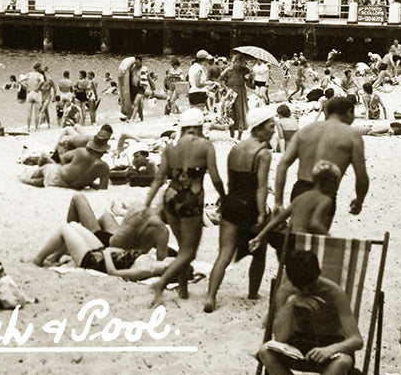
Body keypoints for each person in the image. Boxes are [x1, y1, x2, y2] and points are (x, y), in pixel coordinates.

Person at [255, 250, 362, 375]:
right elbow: (280, 337)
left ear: (319, 273)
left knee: (344, 361)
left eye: (311, 286)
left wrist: (331, 349)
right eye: (301, 288)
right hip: (298, 341)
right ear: (292, 281)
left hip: (329, 342)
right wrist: (291, 303)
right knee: (265, 352)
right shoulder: (286, 290)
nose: (306, 291)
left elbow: (356, 340)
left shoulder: (335, 293)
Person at [146, 109, 226, 305]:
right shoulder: (206, 146)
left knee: (182, 247)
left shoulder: (169, 148)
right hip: (191, 201)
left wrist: (146, 203)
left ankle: (182, 290)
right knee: (189, 252)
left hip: (170, 198)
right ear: (199, 127)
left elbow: (158, 178)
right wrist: (223, 196)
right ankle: (162, 283)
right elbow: (215, 177)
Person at [203, 107, 275, 313]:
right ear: (259, 128)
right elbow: (261, 187)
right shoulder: (264, 153)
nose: (273, 129)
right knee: (259, 253)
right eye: (270, 126)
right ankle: (253, 292)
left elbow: (232, 180)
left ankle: (210, 296)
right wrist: (262, 213)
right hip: (251, 205)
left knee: (224, 253)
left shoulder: (235, 148)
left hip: (231, 203)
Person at [273, 97, 368, 218]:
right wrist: (359, 200)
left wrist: (278, 202)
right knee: (318, 234)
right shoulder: (352, 136)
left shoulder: (306, 130)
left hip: (300, 191)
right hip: (325, 194)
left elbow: (282, 165)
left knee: (297, 233)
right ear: (350, 111)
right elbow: (362, 178)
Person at [31, 222, 171, 281]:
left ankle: (38, 259)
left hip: (94, 261)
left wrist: (108, 252)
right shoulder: (154, 262)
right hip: (104, 253)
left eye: (172, 262)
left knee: (64, 228)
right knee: (73, 224)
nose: (171, 259)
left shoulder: (146, 270)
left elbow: (113, 273)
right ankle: (54, 258)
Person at [249, 162, 339, 252]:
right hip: (305, 246)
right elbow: (314, 224)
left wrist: (259, 237)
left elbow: (278, 219)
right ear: (331, 182)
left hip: (291, 244)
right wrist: (329, 239)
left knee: (291, 265)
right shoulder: (325, 200)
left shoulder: (299, 198)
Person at [22, 126, 113, 190]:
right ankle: (31, 180)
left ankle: (29, 178)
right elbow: (102, 189)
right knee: (52, 176)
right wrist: (88, 181)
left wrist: (73, 167)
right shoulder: (105, 168)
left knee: (47, 167)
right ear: (103, 150)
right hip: (71, 185)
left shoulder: (82, 151)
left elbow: (64, 158)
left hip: (59, 175)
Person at [221, 55, 251, 139]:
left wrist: (251, 77)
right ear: (234, 62)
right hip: (230, 92)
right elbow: (219, 80)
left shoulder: (245, 71)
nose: (239, 65)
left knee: (240, 112)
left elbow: (250, 85)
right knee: (230, 111)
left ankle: (240, 133)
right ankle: (231, 130)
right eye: (237, 62)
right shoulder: (228, 70)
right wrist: (225, 87)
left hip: (241, 93)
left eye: (241, 63)